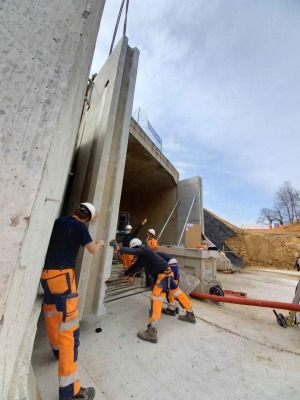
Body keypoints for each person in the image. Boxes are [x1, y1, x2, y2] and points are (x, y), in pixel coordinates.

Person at [41, 202, 105, 400]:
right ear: (87, 218)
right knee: (69, 331)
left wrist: (90, 216)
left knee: (51, 314)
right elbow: (92, 249)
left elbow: (74, 224)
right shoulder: (81, 227)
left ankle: (56, 350)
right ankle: (71, 391)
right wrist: (101, 242)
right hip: (63, 278)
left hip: (46, 275)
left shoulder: (60, 221)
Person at [109, 238, 196, 344]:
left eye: (135, 250)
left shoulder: (145, 249)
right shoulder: (142, 258)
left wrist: (118, 248)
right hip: (168, 273)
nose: (135, 253)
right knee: (177, 293)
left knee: (156, 298)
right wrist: (126, 273)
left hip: (163, 275)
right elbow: (135, 266)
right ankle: (190, 314)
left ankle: (152, 332)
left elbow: (134, 251)